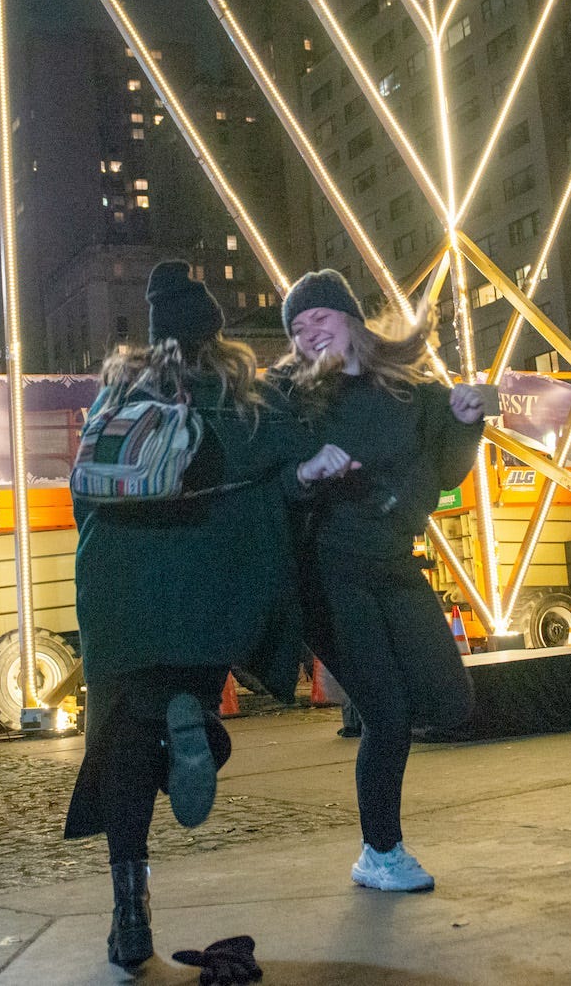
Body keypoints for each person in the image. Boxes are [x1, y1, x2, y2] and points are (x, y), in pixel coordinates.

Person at [63, 260, 355, 970]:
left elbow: (82, 490)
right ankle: (198, 724)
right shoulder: (235, 394)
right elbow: (289, 455)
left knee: (123, 741)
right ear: (214, 333)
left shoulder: (118, 391)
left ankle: (129, 915)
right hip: (206, 587)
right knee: (183, 691)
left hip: (115, 586)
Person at [276, 268, 487, 893]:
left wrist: (468, 420)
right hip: (328, 574)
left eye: (319, 317)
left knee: (452, 703)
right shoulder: (289, 399)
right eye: (296, 327)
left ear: (351, 320)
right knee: (386, 716)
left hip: (394, 563)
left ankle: (381, 844)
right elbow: (267, 484)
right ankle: (381, 851)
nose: (309, 332)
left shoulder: (410, 395)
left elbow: (449, 472)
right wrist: (307, 471)